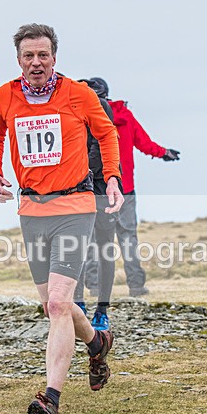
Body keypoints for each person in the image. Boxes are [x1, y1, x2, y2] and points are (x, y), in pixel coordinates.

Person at [0, 24, 124, 414]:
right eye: (28, 56)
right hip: (31, 209)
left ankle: (51, 399)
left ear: (54, 58)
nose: (36, 62)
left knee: (61, 303)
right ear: (18, 60)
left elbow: (106, 133)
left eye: (42, 55)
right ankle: (97, 343)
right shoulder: (6, 95)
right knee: (53, 306)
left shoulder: (78, 94)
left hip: (75, 206)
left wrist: (111, 177)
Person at [86, 86, 180, 297]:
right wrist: (164, 153)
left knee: (92, 238)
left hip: (96, 189)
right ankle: (136, 285)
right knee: (128, 237)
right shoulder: (125, 116)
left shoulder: (87, 115)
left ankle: (94, 286)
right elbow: (144, 143)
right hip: (125, 188)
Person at [73, 77, 118, 332]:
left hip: (100, 187)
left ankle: (101, 310)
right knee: (77, 246)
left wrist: (80, 174)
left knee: (104, 249)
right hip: (80, 187)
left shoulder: (101, 106)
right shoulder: (71, 109)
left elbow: (101, 145)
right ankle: (78, 303)